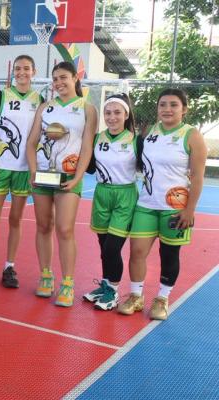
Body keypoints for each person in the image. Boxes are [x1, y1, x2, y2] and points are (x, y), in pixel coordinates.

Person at [120, 89, 207, 320]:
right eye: (163, 105)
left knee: (169, 255)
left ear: (184, 109)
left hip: (175, 207)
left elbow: (198, 177)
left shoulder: (192, 136)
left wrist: (189, 210)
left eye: (173, 105)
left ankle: (162, 299)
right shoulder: (149, 132)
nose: (167, 109)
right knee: (137, 251)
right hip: (146, 203)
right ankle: (136, 296)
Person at [26, 61, 97, 307]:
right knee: (43, 226)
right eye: (55, 79)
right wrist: (34, 171)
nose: (59, 83)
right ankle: (46, 275)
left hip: (68, 177)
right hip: (44, 176)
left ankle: (68, 282)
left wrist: (78, 177)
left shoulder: (87, 109)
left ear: (75, 78)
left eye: (63, 77)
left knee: (65, 229)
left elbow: (87, 146)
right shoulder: (45, 107)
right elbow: (31, 143)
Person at [0, 55, 43, 290]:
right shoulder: (4, 95)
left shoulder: (40, 99)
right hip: (1, 168)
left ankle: (9, 267)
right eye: (18, 68)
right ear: (13, 72)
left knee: (16, 219)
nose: (22, 72)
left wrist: (37, 170)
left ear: (34, 71)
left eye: (26, 68)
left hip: (24, 169)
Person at [81, 94, 139, 310]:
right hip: (102, 194)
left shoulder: (135, 140)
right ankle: (105, 285)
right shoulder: (97, 139)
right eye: (108, 112)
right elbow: (88, 166)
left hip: (124, 196)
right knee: (103, 246)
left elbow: (151, 166)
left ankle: (113, 292)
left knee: (113, 248)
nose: (112, 117)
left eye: (117, 112)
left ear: (126, 114)